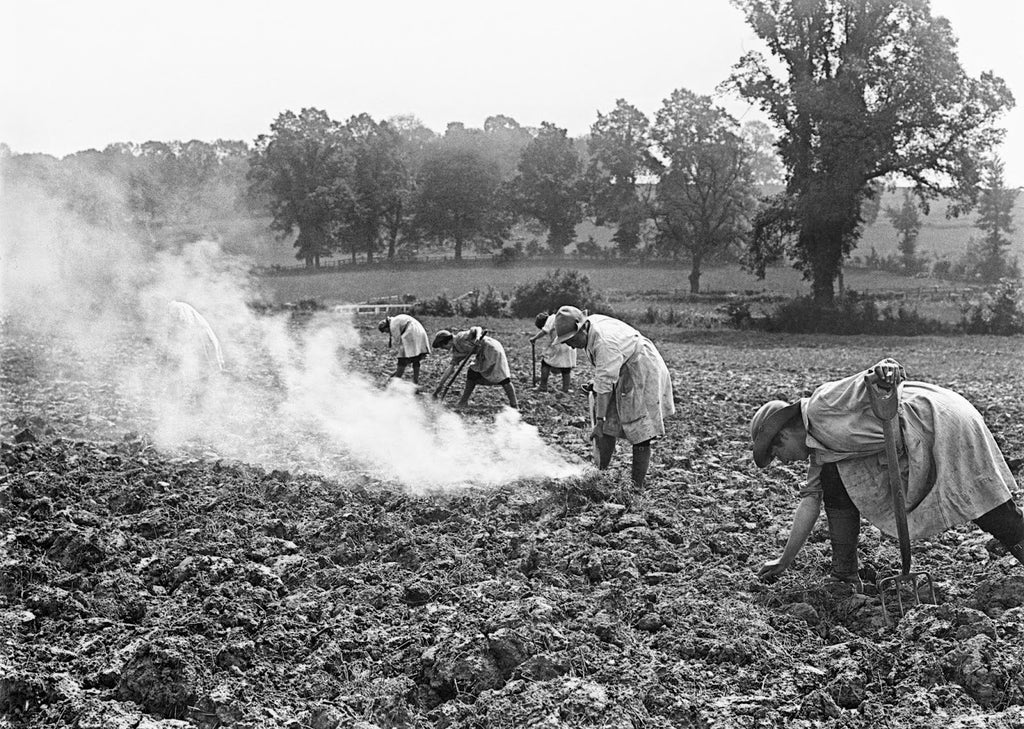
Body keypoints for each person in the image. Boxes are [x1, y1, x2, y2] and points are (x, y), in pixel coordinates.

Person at [751, 358, 1024, 590]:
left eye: (777, 454)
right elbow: (809, 503)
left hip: (938, 420)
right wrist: (784, 560)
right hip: (916, 436)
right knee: (833, 479)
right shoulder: (819, 452)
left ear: (783, 435)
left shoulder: (822, 405)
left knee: (982, 502)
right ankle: (844, 574)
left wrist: (884, 369)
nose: (783, 460)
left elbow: (871, 379)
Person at [554, 306, 675, 488]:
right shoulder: (591, 329)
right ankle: (600, 474)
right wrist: (597, 387)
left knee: (640, 429)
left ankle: (636, 488)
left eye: (571, 339)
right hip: (623, 367)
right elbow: (605, 374)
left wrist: (599, 421)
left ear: (582, 328)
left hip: (641, 368)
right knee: (608, 424)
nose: (569, 345)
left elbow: (605, 380)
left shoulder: (604, 341)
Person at [431, 326, 518, 409]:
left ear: (448, 341)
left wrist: (477, 338)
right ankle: (463, 402)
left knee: (502, 377)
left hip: (491, 348)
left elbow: (477, 328)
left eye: (442, 346)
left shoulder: (460, 337)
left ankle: (514, 405)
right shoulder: (456, 351)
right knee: (472, 373)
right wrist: (439, 387)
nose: (443, 349)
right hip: (482, 354)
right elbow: (450, 368)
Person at [529, 311, 577, 392]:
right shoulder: (560, 318)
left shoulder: (550, 320)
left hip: (558, 345)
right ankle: (565, 389)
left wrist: (534, 338)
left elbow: (544, 331)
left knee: (545, 364)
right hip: (569, 345)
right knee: (566, 370)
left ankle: (543, 386)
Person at [377, 314, 431, 384]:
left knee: (402, 358)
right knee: (416, 358)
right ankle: (415, 382)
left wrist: (400, 364)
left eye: (385, 331)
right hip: (419, 331)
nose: (387, 332)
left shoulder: (393, 325)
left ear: (386, 327)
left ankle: (395, 382)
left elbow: (398, 341)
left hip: (411, 332)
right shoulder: (397, 319)